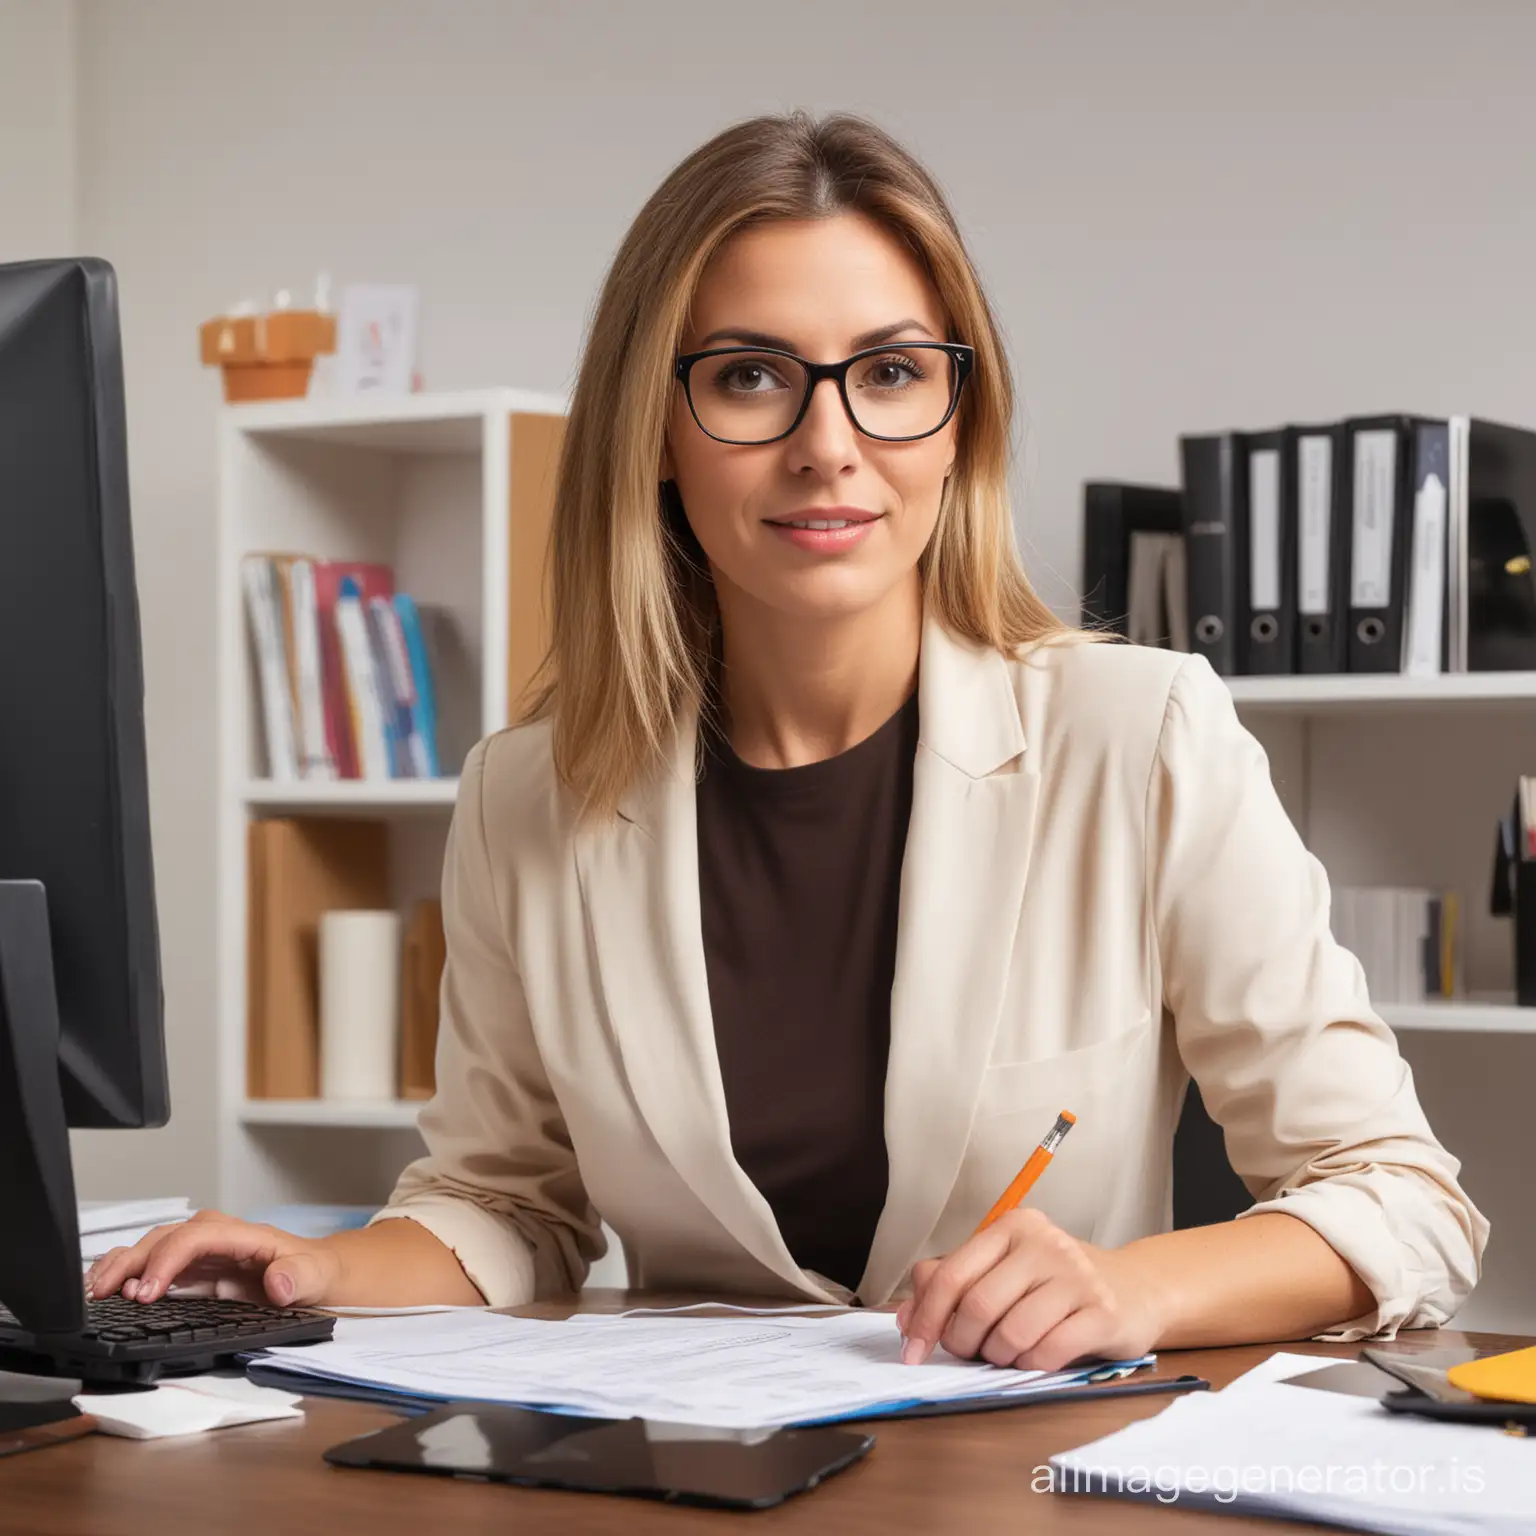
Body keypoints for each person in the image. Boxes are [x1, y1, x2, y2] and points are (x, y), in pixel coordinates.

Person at [88, 111, 1485, 1371]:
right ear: (657, 431)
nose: (830, 442)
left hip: (1026, 1488)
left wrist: (1133, 1289)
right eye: (754, 376)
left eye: (889, 372)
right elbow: (503, 1203)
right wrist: (313, 1271)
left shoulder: (1145, 738)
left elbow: (1401, 1200)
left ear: (958, 424)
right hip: (681, 1483)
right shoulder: (529, 796)